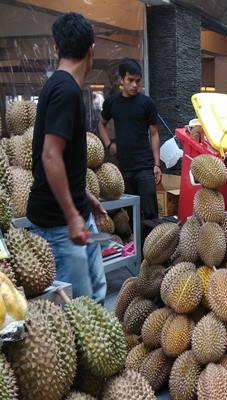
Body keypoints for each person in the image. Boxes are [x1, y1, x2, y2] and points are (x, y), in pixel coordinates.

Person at [27, 12, 107, 303]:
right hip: (59, 223)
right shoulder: (65, 91)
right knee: (78, 310)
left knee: (96, 295)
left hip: (74, 216)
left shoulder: (64, 88)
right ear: (92, 50)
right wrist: (73, 216)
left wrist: (84, 197)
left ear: (56, 48)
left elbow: (61, 158)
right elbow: (50, 156)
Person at [98, 58, 161, 220]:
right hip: (124, 168)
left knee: (150, 213)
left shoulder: (147, 103)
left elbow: (154, 134)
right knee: (131, 215)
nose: (134, 85)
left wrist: (157, 164)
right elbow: (101, 124)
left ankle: (151, 245)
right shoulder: (112, 103)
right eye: (130, 80)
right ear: (121, 80)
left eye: (137, 81)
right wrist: (108, 144)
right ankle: (136, 245)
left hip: (145, 167)